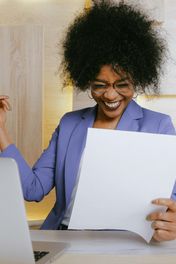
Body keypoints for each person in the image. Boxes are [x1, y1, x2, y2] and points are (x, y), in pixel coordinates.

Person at [0, 0, 176, 242]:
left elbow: (172, 198)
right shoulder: (70, 124)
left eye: (122, 84)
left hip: (123, 244)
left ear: (138, 79)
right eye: (100, 85)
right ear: (86, 81)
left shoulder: (158, 127)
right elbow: (33, 189)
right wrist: (1, 131)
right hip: (61, 239)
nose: (110, 95)